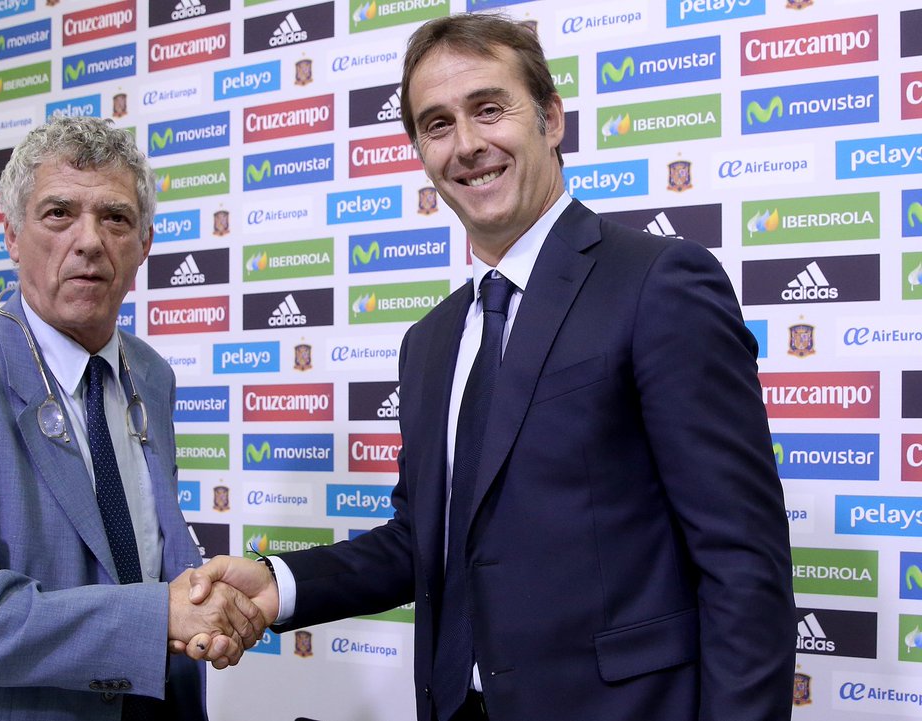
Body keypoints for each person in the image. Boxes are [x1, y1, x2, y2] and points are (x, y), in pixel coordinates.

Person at [188, 13, 796, 721]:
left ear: (551, 119)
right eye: (438, 124)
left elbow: (742, 560)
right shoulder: (429, 342)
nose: (468, 144)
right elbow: (423, 541)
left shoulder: (659, 283)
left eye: (488, 108)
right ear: (422, 153)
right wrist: (278, 583)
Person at [0, 115, 265, 721]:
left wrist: (206, 607)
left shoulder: (151, 375)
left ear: (145, 244)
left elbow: (146, 550)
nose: (89, 241)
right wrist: (158, 616)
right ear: (11, 236)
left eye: (115, 218)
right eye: (58, 214)